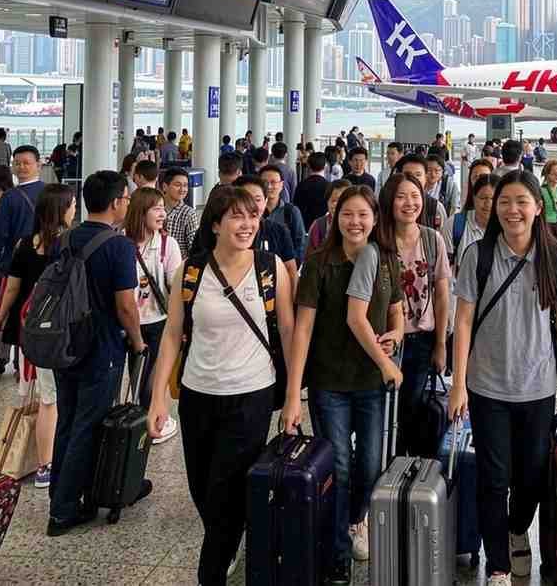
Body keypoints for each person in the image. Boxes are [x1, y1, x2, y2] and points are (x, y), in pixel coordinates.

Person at [147, 186, 290, 585]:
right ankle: (228, 537)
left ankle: (211, 571)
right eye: (236, 217)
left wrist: (294, 396)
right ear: (215, 224)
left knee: (224, 488)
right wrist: (158, 398)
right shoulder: (190, 272)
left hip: (251, 394)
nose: (247, 225)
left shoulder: (270, 267)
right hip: (197, 395)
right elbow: (172, 335)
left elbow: (288, 331)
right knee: (203, 488)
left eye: (252, 216)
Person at [448, 170, 557, 586]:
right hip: (486, 386)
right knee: (493, 478)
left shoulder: (556, 257)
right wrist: (457, 384)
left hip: (538, 386)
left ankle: (517, 528)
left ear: (539, 207)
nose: (512, 210)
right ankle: (499, 565)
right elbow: (463, 321)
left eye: (521, 201)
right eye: (504, 202)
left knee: (532, 478)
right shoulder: (479, 256)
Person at [281, 185, 402, 584]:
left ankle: (354, 520)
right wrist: (293, 395)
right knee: (340, 467)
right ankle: (337, 551)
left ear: (375, 219)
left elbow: (397, 312)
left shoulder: (385, 259)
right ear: (335, 218)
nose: (355, 222)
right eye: (348, 214)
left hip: (371, 381)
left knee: (370, 465)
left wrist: (396, 334)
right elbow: (302, 330)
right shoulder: (319, 263)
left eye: (363, 215)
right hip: (329, 382)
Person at [47, 171, 148, 536]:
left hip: (65, 345)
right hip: (101, 348)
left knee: (67, 421)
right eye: (126, 198)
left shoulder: (65, 239)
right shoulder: (119, 246)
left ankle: (61, 493)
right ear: (117, 202)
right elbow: (126, 306)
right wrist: (138, 341)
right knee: (88, 425)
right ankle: (64, 509)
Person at [0, 183, 76, 489]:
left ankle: (46, 462)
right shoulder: (69, 244)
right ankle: (49, 463)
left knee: (45, 395)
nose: (75, 209)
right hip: (62, 331)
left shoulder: (26, 244)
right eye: (72, 205)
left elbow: (12, 287)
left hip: (32, 330)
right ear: (62, 210)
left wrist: (1, 315)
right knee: (53, 399)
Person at [371, 173, 450, 454]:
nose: (410, 203)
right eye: (401, 197)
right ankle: (385, 466)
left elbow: (442, 295)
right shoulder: (377, 241)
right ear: (389, 201)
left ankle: (407, 470)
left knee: (411, 412)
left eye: (415, 196)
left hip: (421, 341)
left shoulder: (432, 239)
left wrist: (441, 344)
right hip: (383, 342)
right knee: (382, 413)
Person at [124, 188, 183, 445]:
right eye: (156, 208)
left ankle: (156, 419)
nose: (162, 214)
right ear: (140, 212)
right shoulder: (122, 242)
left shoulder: (168, 245)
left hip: (158, 321)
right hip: (129, 322)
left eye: (162, 208)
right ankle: (142, 418)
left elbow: (175, 287)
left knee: (154, 377)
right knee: (136, 374)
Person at [0, 145, 46, 378]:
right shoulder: (50, 193)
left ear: (38, 165)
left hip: (13, 264)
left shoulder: (10, 197)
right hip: (42, 264)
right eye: (17, 163)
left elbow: (1, 233)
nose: (21, 167)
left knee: (6, 307)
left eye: (26, 163)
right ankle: (24, 359)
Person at [232, 175, 299, 293]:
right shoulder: (225, 232)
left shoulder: (279, 231)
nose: (252, 205)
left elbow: (290, 271)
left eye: (257, 199)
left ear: (265, 201)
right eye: (246, 199)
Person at [444, 174, 495, 271]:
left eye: (493, 198)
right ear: (474, 198)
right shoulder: (454, 224)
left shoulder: (508, 228)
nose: (488, 204)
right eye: (483, 198)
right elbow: (445, 269)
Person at [259, 164, 308, 263]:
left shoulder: (291, 212)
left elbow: (300, 244)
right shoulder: (254, 212)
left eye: (273, 182)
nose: (269, 186)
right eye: (265, 182)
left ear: (281, 185)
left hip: (285, 266)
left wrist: (293, 265)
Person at [396, 154, 448, 232]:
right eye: (408, 175)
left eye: (418, 175)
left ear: (425, 177)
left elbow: (442, 235)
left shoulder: (436, 207)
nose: (413, 179)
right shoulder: (390, 203)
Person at [162, 168, 199, 258]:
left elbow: (194, 249)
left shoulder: (189, 214)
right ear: (165, 186)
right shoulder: (155, 209)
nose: (182, 189)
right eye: (177, 185)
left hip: (179, 264)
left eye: (185, 185)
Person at [308, 179, 352, 253]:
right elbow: (310, 256)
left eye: (342, 201)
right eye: (334, 200)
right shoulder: (319, 226)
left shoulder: (357, 226)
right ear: (327, 202)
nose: (337, 205)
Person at [294, 151, 332, 230]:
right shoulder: (329, 186)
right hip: (324, 227)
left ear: (308, 166)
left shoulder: (301, 185)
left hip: (305, 226)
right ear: (325, 166)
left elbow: (296, 208)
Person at [425, 152, 460, 217]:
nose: (433, 174)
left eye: (437, 170)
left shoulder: (450, 186)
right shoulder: (418, 186)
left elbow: (454, 208)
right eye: (429, 170)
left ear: (442, 172)